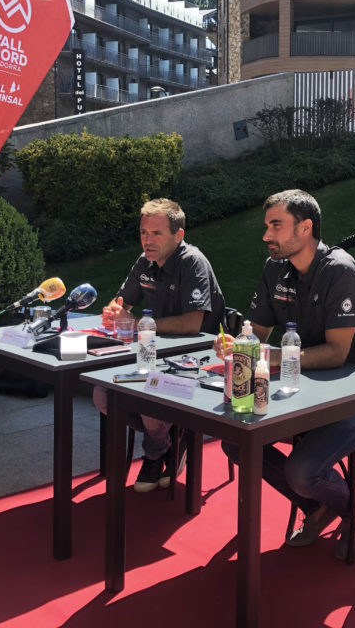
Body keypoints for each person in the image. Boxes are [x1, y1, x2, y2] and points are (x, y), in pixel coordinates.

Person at [215, 189, 355, 560]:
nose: (266, 235)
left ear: (305, 228)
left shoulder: (340, 270)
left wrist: (273, 358)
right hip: (304, 393)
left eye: (276, 225)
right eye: (266, 226)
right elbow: (257, 334)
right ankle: (319, 506)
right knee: (236, 443)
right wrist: (237, 344)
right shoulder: (275, 268)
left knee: (302, 472)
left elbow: (337, 353)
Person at [94, 198, 225, 492]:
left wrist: (137, 323)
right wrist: (114, 311)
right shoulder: (145, 261)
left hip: (196, 358)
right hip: (153, 355)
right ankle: (171, 439)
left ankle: (154, 454)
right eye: (143, 232)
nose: (147, 240)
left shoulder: (192, 262)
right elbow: (121, 303)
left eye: (156, 233)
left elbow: (192, 324)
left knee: (148, 398)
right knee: (102, 395)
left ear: (178, 236)